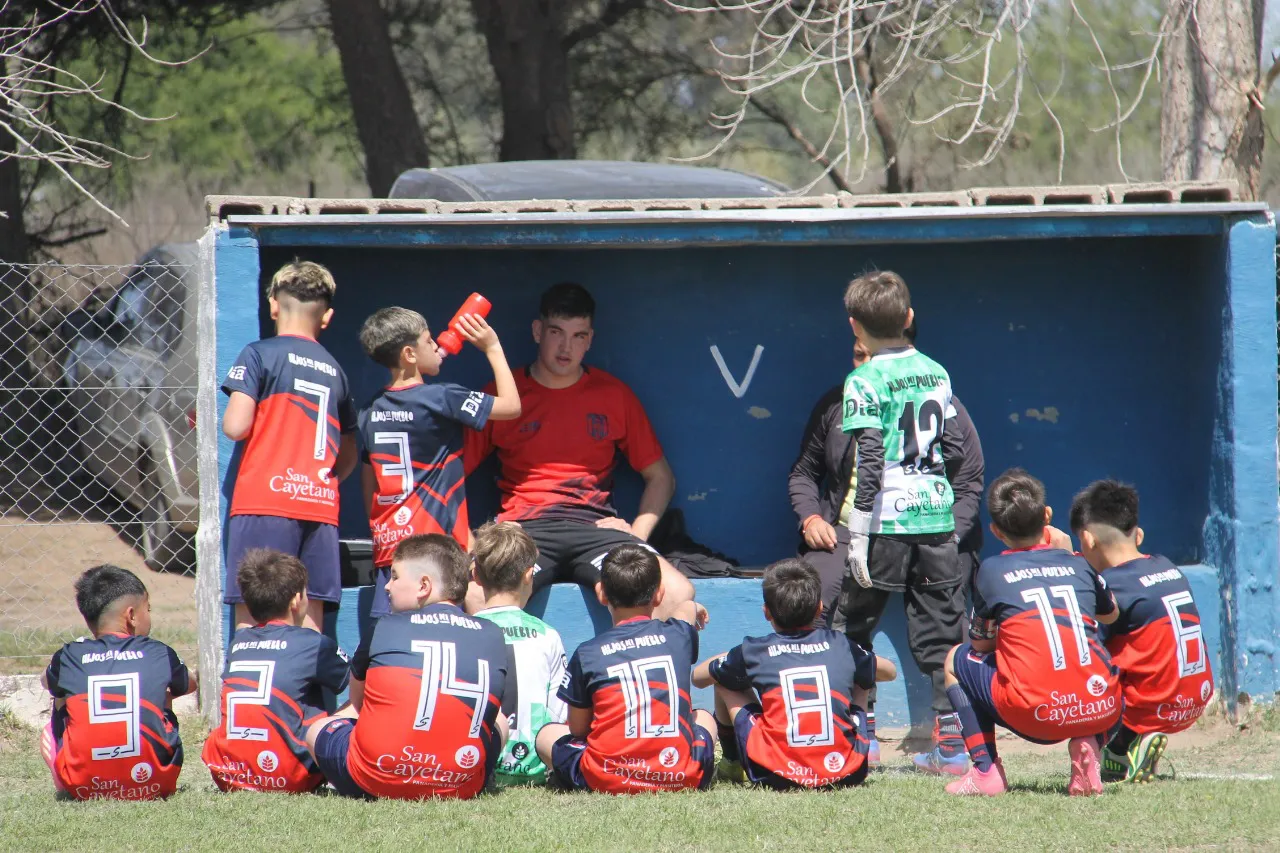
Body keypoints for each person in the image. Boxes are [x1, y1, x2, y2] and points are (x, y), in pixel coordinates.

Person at [464, 282, 697, 621]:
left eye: (578, 336)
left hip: (595, 529)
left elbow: (660, 476)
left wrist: (637, 532)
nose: (566, 346)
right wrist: (470, 542)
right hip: (524, 529)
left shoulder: (613, 395)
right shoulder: (502, 395)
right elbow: (447, 478)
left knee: (678, 594)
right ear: (537, 331)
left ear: (589, 340)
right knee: (473, 595)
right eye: (557, 332)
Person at [827, 272, 973, 772]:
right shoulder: (937, 372)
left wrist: (859, 530)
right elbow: (951, 447)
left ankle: (858, 738)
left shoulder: (862, 380)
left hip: (884, 523)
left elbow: (869, 458)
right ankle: (954, 747)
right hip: (934, 518)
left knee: (852, 628)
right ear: (909, 319)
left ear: (854, 327)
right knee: (944, 635)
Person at [942, 469, 1121, 797]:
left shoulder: (992, 571)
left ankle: (985, 771)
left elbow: (980, 643)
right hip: (1099, 708)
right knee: (1114, 658)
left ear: (996, 531)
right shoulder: (1079, 564)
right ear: (1047, 516)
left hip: (1034, 716)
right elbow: (1111, 613)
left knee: (956, 660)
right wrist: (1069, 557)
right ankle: (1090, 741)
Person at [305, 534, 508, 800]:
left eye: (395, 576)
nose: (387, 586)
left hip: (373, 780)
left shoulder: (383, 627)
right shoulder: (493, 633)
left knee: (319, 728)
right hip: (459, 785)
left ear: (424, 585)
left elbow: (358, 703)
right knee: (501, 721)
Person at [357, 306, 521, 619]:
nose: (436, 346)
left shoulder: (369, 410)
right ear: (410, 354)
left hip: (390, 548)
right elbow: (512, 406)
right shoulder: (442, 398)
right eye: (428, 340)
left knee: (391, 639)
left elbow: (370, 488)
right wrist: (493, 348)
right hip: (437, 551)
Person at [222, 260, 358, 631]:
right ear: (326, 317)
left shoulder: (258, 353)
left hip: (265, 502)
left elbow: (235, 426)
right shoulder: (336, 370)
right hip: (319, 506)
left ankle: (251, 685)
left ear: (273, 306)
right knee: (310, 618)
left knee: (254, 616)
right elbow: (349, 452)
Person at [693, 559, 897, 789]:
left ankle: (731, 762)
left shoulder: (755, 651)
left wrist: (731, 656)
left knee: (724, 679)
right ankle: (864, 740)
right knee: (863, 677)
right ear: (820, 608)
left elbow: (698, 678)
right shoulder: (840, 645)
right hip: (847, 772)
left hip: (776, 774)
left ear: (766, 612)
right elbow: (890, 672)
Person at [534, 544, 716, 794]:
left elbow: (578, 729)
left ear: (603, 595)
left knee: (547, 734)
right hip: (680, 774)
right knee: (703, 716)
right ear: (659, 594)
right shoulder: (678, 636)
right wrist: (695, 607)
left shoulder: (588, 653)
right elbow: (685, 609)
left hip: (607, 778)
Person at [1069, 480, 1214, 783]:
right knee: (1136, 645)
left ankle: (1113, 740)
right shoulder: (1167, 567)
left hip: (1149, 705)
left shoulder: (1113, 586)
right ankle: (1122, 750)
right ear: (1138, 535)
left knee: (1083, 660)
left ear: (1088, 540)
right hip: (1193, 701)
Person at [41, 565, 197, 800]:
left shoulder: (69, 655)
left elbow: (45, 681)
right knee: (163, 693)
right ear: (132, 615)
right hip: (155, 782)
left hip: (82, 787)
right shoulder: (159, 652)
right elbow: (190, 685)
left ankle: (69, 773)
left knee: (60, 691)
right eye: (148, 609)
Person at [202, 549, 351, 793]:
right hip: (292, 775)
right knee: (360, 697)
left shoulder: (238, 643)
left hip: (230, 773)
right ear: (296, 600)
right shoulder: (312, 643)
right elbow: (357, 680)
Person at [471, 521, 569, 786]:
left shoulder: (465, 633)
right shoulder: (547, 635)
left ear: (476, 576)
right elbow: (560, 712)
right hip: (536, 766)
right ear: (529, 575)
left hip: (474, 761)